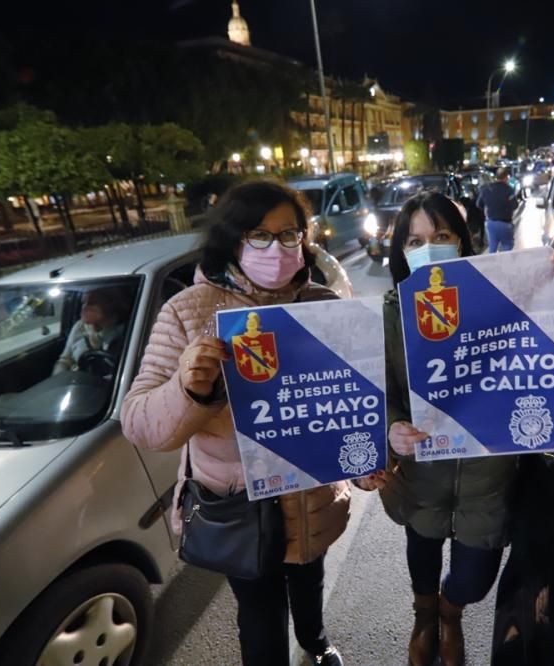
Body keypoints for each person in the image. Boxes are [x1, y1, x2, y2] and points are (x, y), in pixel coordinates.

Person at [356, 191, 554, 666]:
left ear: (464, 243)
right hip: (421, 479)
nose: (429, 248)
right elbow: (379, 393)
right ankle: (425, 617)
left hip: (489, 481)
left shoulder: (505, 298)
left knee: (473, 578)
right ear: (400, 252)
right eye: (415, 240)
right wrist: (391, 428)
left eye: (442, 236)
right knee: (420, 559)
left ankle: (450, 613)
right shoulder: (391, 311)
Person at [122, 181, 349, 666]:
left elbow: (351, 402)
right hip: (246, 511)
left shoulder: (325, 305)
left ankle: (315, 641)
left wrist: (367, 455)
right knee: (260, 619)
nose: (276, 248)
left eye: (289, 234)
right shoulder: (186, 312)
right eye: (258, 235)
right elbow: (140, 423)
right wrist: (189, 389)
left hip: (314, 497)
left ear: (305, 239)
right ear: (232, 238)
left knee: (311, 582)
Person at [52, 287, 128, 374]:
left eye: (92, 303)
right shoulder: (79, 326)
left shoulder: (126, 331)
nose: (84, 307)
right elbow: (65, 361)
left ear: (111, 304)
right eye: (83, 302)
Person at [476, 167, 517, 253]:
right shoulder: (509, 190)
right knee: (507, 246)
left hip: (491, 224)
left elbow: (479, 204)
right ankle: (505, 264)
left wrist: (489, 207)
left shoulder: (487, 189)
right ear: (506, 177)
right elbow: (515, 205)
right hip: (506, 224)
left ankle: (492, 264)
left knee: (493, 246)